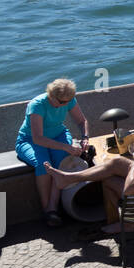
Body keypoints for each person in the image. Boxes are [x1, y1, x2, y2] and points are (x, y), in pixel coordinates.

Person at [14, 77, 91, 225]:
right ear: (51, 95)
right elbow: (38, 138)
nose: (65, 104)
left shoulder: (68, 100)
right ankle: (47, 210)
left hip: (59, 134)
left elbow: (82, 121)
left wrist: (85, 137)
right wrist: (66, 147)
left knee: (61, 163)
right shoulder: (37, 105)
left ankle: (53, 208)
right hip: (30, 140)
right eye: (62, 102)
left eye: (68, 101)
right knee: (44, 165)